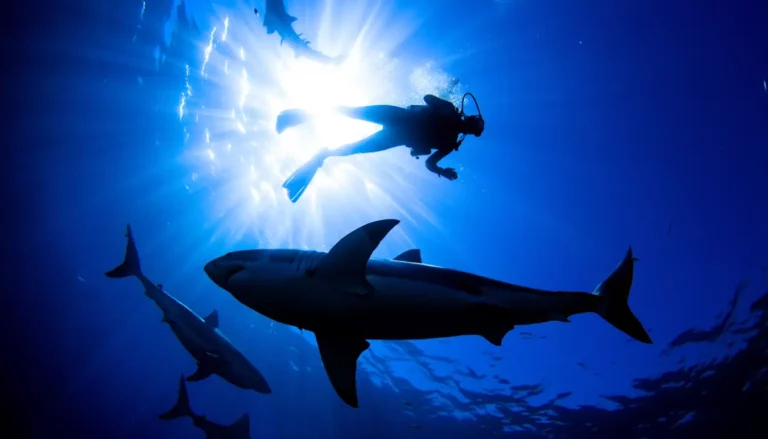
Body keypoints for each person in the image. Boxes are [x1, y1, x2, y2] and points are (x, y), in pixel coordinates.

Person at [276, 93, 485, 202]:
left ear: (470, 133)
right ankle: (301, 115)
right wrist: (444, 106)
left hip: (397, 136)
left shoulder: (450, 143)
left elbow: (430, 162)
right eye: (473, 124)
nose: (469, 127)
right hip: (398, 116)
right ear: (470, 117)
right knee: (349, 112)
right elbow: (427, 98)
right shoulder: (449, 110)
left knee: (355, 147)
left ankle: (323, 155)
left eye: (473, 130)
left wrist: (441, 171)